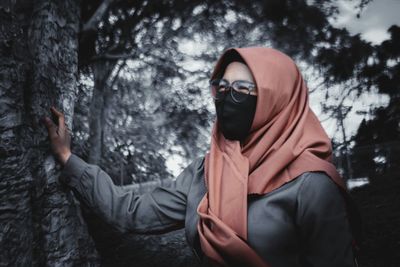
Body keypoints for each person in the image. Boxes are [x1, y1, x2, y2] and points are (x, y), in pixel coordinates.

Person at [43, 46, 360, 267]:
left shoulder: (312, 186)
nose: (226, 99)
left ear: (278, 101)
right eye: (221, 88)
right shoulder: (205, 172)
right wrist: (68, 158)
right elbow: (129, 212)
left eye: (242, 90)